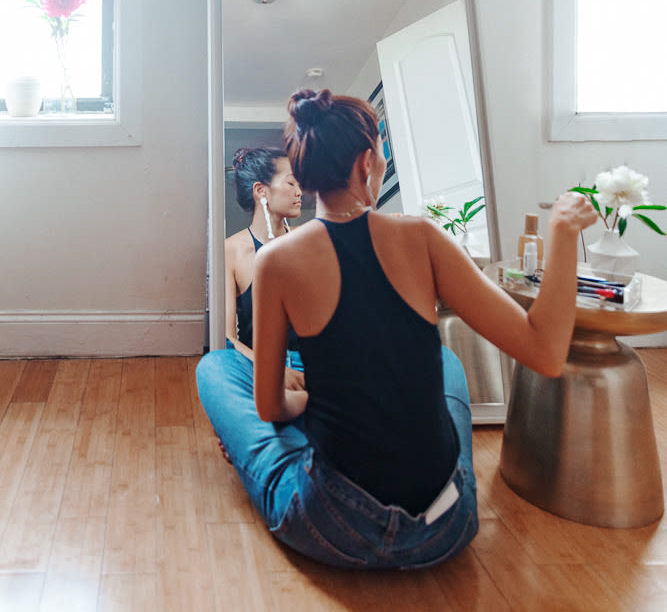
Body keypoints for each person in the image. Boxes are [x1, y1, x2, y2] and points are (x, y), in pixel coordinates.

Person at [197, 90, 598, 570]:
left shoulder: (276, 260)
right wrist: (563, 233)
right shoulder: (422, 236)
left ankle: (309, 436)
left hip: (333, 525)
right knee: (446, 364)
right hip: (445, 527)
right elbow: (547, 352)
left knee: (214, 369)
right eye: (382, 152)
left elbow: (270, 408)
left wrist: (312, 403)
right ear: (366, 163)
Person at [225, 146, 304, 383]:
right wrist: (276, 372)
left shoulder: (310, 239)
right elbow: (227, 339)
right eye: (291, 183)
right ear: (261, 191)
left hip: (317, 365)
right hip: (260, 367)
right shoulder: (231, 251)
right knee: (213, 365)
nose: (299, 192)